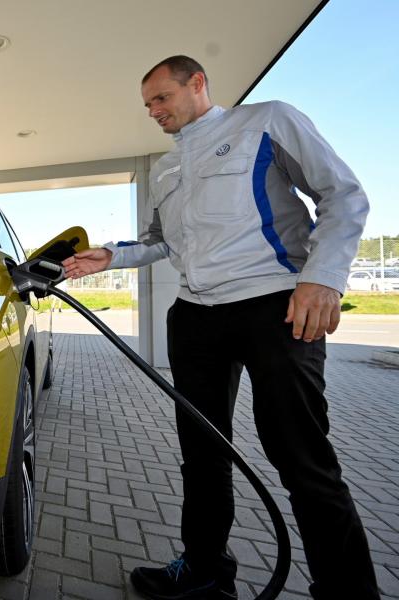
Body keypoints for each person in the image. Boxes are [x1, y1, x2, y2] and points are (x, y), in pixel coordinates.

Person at [63, 55, 379, 599]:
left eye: (161, 98)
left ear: (198, 83)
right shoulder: (166, 169)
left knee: (301, 457)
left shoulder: (266, 121)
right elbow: (160, 239)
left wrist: (322, 278)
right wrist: (108, 258)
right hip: (195, 318)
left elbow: (342, 194)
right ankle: (206, 571)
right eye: (147, 105)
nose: (153, 112)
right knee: (202, 453)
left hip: (276, 307)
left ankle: (348, 591)